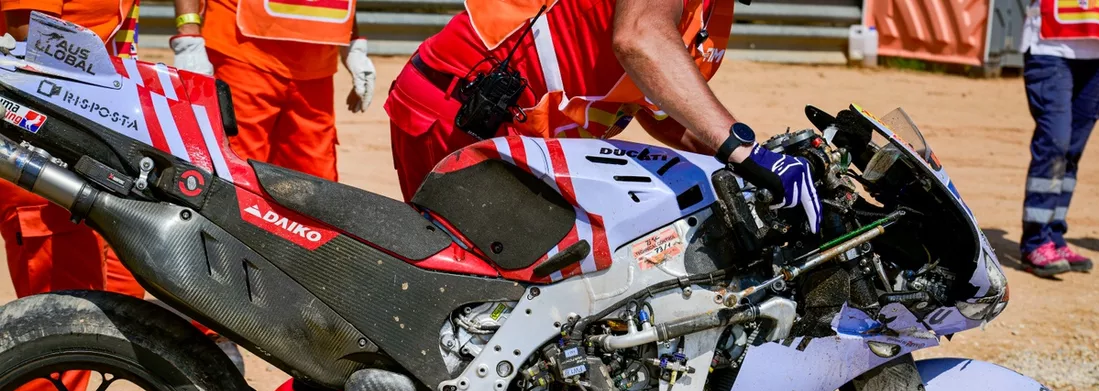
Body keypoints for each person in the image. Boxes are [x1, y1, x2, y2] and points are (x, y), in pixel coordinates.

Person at [384, 0, 822, 236]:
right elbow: (639, 39)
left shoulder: (709, 7)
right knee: (480, 292)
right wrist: (742, 149)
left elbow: (660, 108)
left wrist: (752, 161)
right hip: (463, 108)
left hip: (520, 127)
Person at [0, 0, 146, 391]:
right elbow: (30, 41)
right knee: (59, 323)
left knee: (110, 308)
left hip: (89, 143)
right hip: (48, 148)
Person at [169, 0, 376, 181]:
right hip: (243, 51)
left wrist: (353, 44)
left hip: (315, 64)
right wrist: (188, 36)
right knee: (236, 176)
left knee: (313, 187)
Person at [1019, 0, 1099, 277]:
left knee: (1072, 152)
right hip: (1050, 46)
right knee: (1055, 143)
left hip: (1095, 55)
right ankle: (1035, 241)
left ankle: (1054, 236)